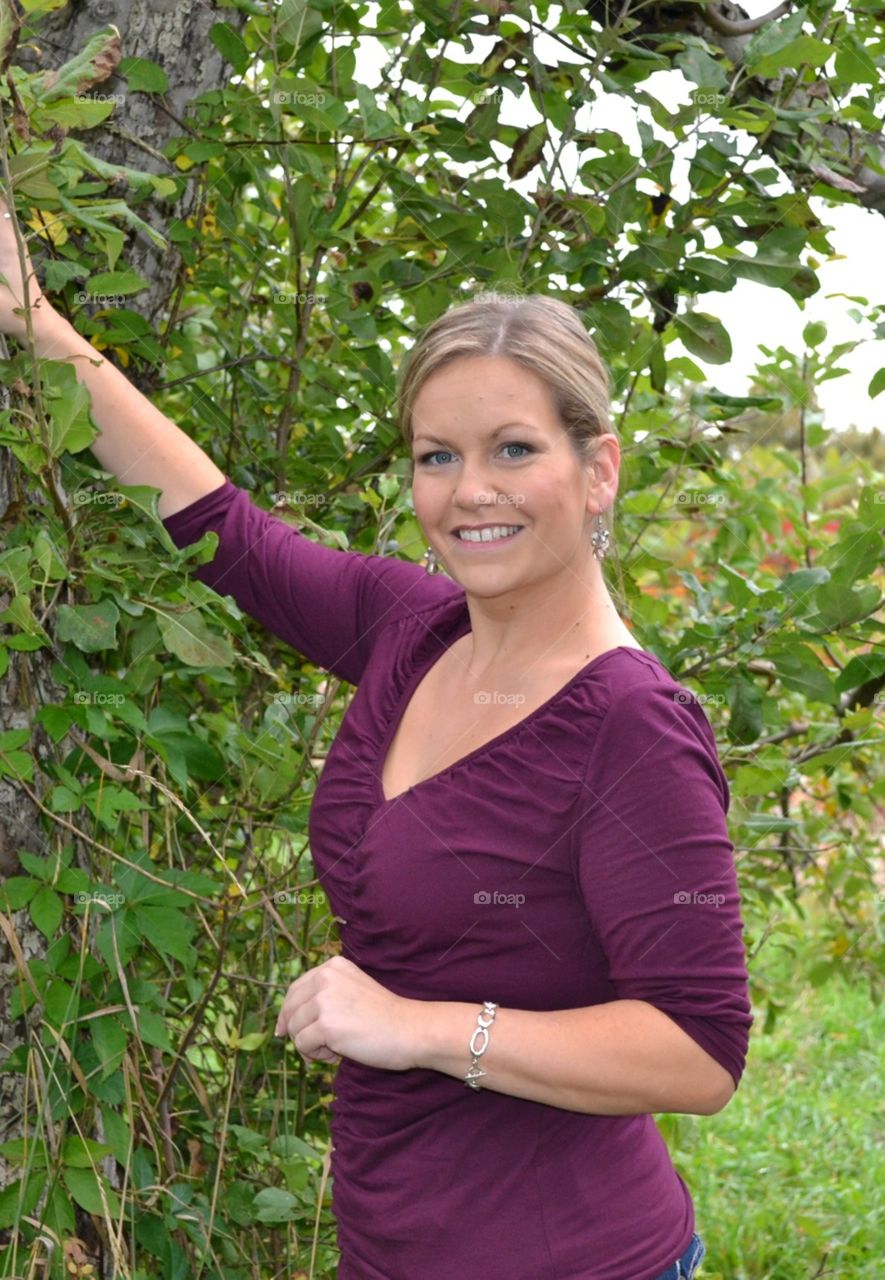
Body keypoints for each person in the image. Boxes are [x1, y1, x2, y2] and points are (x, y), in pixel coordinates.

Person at [0, 197, 752, 1280]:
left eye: (513, 448)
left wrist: (422, 1025)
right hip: (394, 1244)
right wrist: (30, 312)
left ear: (600, 470)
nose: (469, 491)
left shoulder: (629, 727)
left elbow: (697, 1052)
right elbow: (228, 534)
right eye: (436, 455)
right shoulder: (416, 629)